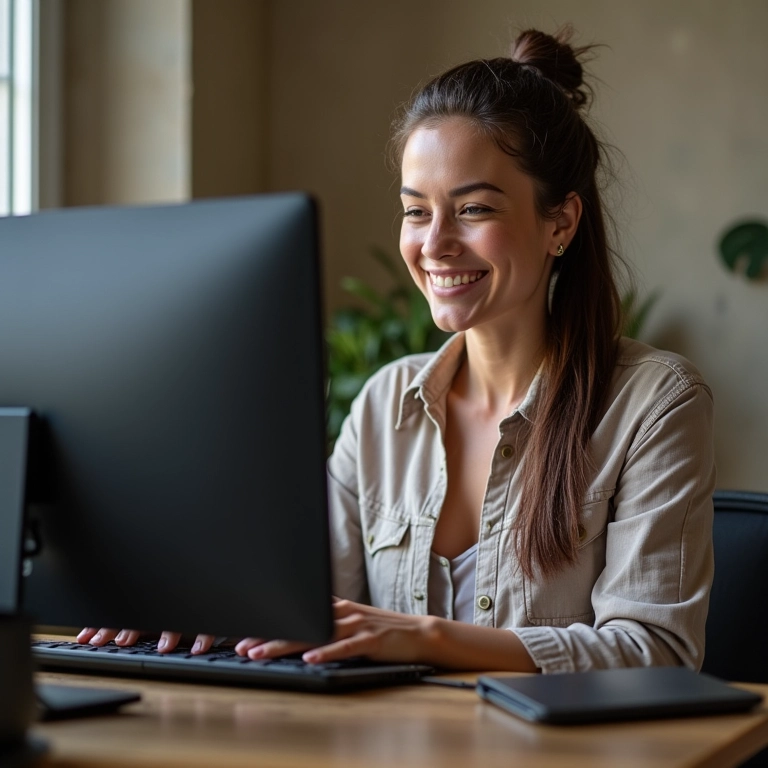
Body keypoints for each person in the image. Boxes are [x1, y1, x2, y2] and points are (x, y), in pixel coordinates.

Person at [78, 26, 716, 674]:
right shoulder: (387, 402)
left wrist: (425, 637)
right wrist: (187, 610)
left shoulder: (654, 403)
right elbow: (303, 602)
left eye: (473, 210)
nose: (434, 243)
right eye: (417, 211)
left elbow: (654, 651)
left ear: (561, 222)